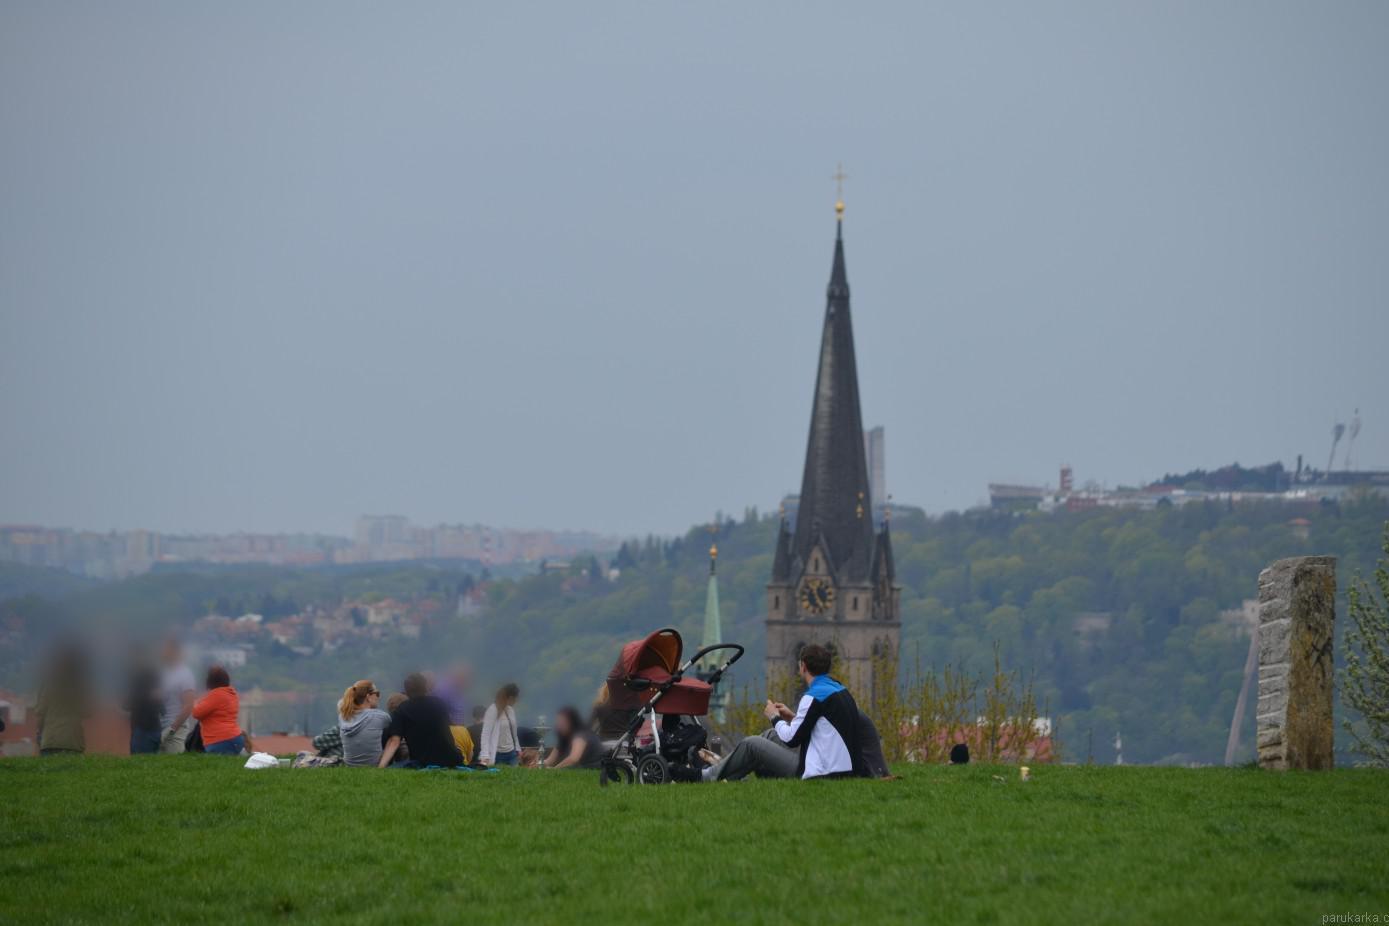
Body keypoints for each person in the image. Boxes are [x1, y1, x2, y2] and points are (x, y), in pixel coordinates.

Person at [764, 644, 866, 779]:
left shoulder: (813, 696)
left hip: (823, 772)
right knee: (769, 735)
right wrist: (793, 718)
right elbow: (824, 729)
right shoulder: (840, 689)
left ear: (803, 666)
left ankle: (727, 776)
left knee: (751, 745)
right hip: (846, 769)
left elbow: (791, 739)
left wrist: (774, 717)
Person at [378, 672, 463, 769]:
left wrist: (381, 767)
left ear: (406, 691)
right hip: (451, 760)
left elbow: (394, 741)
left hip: (423, 762)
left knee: (395, 767)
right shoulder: (439, 703)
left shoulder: (402, 709)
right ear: (425, 688)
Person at [35, 643, 90, 756]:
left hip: (50, 739)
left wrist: (39, 732)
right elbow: (88, 711)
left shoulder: (48, 682)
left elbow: (40, 711)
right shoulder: (81, 684)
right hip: (73, 741)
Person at [192, 665, 244, 755]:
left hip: (220, 740)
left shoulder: (216, 695)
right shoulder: (231, 693)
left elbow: (196, 713)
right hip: (235, 737)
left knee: (214, 767)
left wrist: (195, 701)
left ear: (210, 681)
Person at [338, 679, 391, 767]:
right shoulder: (381, 716)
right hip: (374, 766)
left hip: (349, 766)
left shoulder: (343, 716)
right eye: (377, 693)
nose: (378, 697)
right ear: (368, 696)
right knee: (395, 736)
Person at [158, 638, 198, 754]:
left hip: (175, 730)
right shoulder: (163, 673)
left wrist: (172, 729)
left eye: (165, 649)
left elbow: (188, 706)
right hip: (160, 727)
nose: (162, 652)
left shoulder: (184, 674)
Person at [125, 651, 163, 755]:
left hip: (142, 729)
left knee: (139, 763)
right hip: (155, 727)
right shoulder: (155, 676)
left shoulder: (139, 678)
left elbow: (126, 705)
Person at [478, 682, 521, 767]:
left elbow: (514, 733)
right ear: (510, 698)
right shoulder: (492, 710)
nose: (516, 700)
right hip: (497, 754)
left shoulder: (510, 710)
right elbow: (485, 734)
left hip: (512, 753)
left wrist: (518, 749)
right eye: (516, 698)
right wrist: (485, 755)